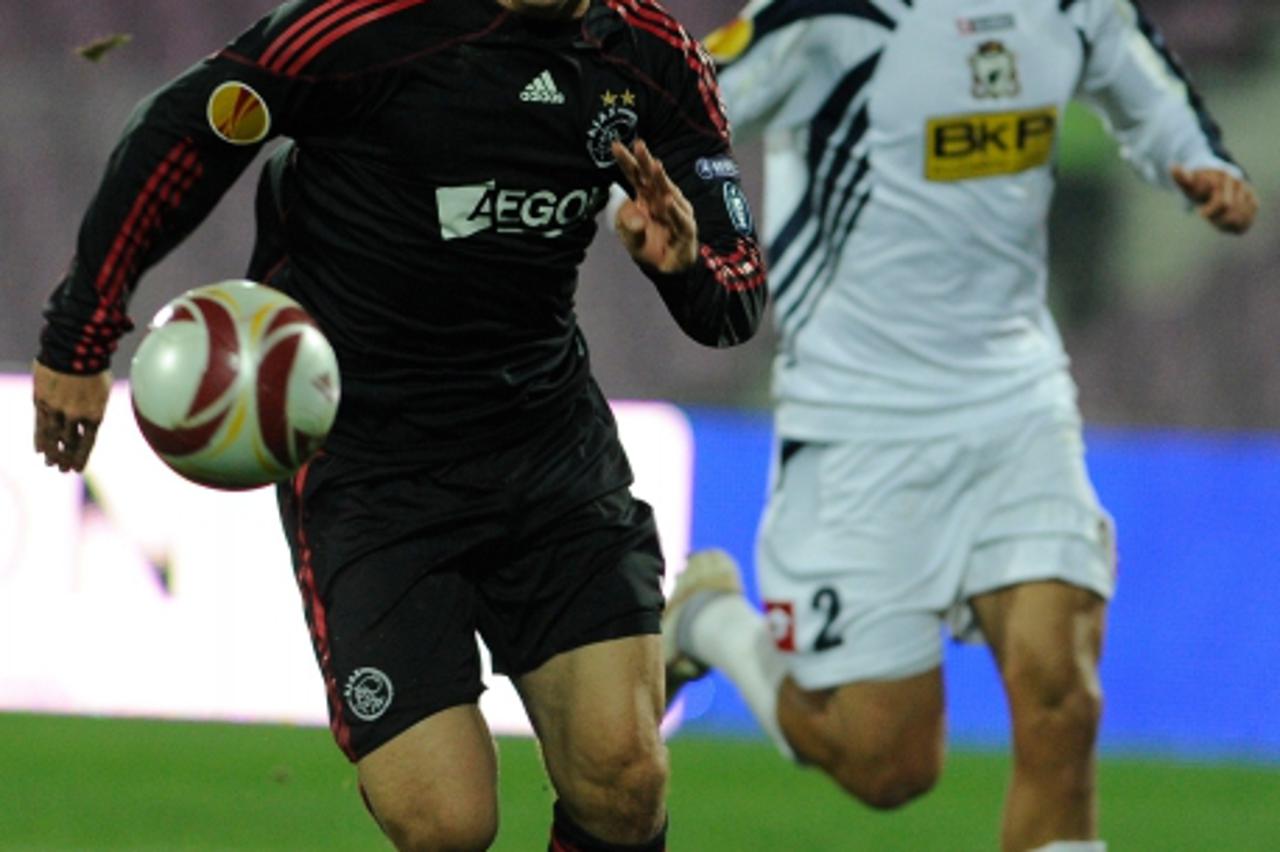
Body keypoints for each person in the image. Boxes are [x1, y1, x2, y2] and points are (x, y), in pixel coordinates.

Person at [31, 1, 767, 849]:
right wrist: (81, 334)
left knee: (623, 783)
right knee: (446, 826)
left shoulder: (652, 54)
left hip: (545, 446)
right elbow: (187, 127)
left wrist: (684, 270)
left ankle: (631, 680)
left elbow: (732, 301)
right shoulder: (364, 26)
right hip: (370, 467)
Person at [663, 1, 1257, 851]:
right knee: (887, 764)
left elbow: (1140, 76)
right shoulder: (824, 17)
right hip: (859, 419)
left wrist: (1194, 160)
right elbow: (682, 103)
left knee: (1064, 698)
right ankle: (710, 621)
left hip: (1016, 402)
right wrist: (648, 200)